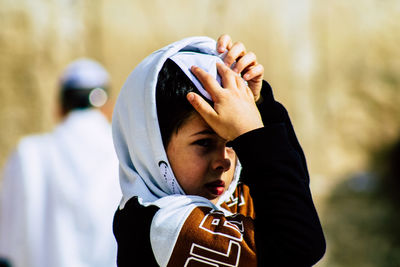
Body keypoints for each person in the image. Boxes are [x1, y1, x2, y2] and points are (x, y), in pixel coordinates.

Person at [112, 35, 326, 266]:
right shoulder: (162, 224)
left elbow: (294, 191)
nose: (223, 161)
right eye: (204, 143)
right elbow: (299, 247)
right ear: (152, 147)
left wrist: (259, 103)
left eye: (232, 141)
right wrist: (250, 134)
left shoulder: (226, 192)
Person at [0, 59, 121, 267]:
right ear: (108, 108)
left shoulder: (29, 155)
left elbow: (7, 245)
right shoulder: (126, 155)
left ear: (60, 108)